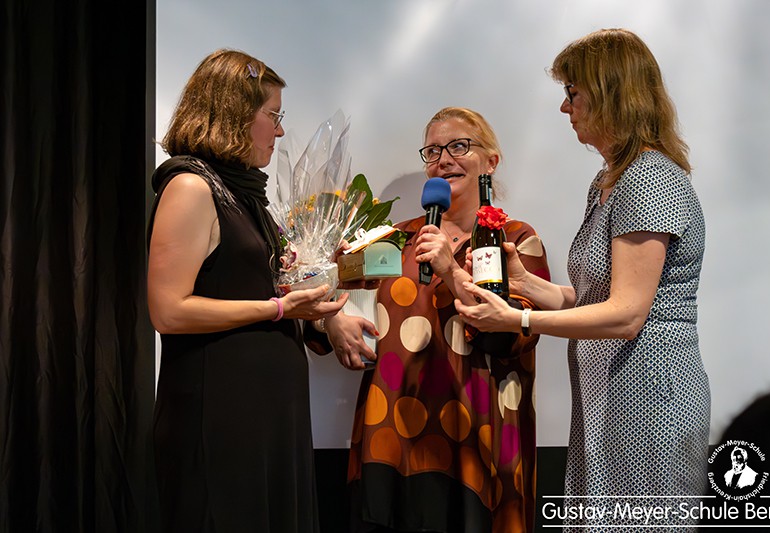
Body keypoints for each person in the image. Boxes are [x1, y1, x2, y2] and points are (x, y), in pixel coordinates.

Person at [455, 29, 711, 529]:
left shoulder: (650, 178)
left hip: (650, 399)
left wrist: (520, 319)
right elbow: (595, 298)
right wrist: (524, 283)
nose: (564, 106)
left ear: (611, 92)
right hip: (610, 396)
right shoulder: (610, 179)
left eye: (573, 93)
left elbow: (627, 315)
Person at [307, 107, 551, 532]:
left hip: (478, 441)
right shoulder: (396, 239)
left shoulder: (514, 240)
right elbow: (321, 296)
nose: (444, 159)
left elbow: (515, 335)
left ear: (491, 162)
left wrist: (450, 269)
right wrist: (330, 319)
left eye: (459, 146)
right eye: (433, 151)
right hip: (392, 438)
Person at [147, 49, 347, 533]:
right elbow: (168, 311)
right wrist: (278, 309)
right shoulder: (192, 187)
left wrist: (326, 315)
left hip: (264, 413)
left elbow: (259, 288)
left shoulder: (243, 194)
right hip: (222, 414)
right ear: (235, 115)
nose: (280, 131)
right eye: (273, 116)